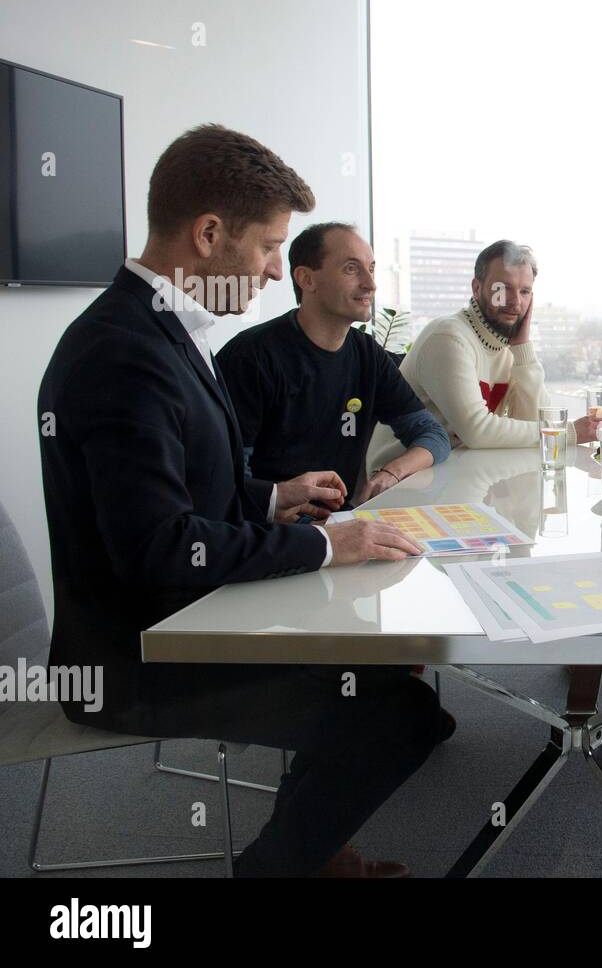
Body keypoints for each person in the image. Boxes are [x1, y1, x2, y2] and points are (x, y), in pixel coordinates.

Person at [38, 124, 444, 878]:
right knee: (399, 716)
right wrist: (331, 543)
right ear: (209, 233)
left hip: (188, 620)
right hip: (138, 660)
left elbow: (177, 489)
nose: (268, 273)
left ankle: (313, 854)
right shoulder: (123, 354)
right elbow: (159, 548)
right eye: (264, 249)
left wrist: (267, 497)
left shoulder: (158, 329)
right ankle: (274, 871)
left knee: (387, 674)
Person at [217, 222, 450, 505]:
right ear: (306, 279)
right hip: (268, 530)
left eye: (372, 268)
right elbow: (227, 480)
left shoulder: (367, 353)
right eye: (351, 269)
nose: (370, 283)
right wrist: (279, 506)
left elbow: (432, 435)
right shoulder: (252, 356)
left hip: (340, 521)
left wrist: (389, 474)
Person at [367, 239, 600, 460]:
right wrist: (565, 432)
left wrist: (522, 349)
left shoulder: (505, 345)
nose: (515, 302)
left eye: (524, 292)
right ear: (477, 288)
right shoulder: (448, 337)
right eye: (504, 288)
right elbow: (477, 431)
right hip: (397, 484)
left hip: (453, 474)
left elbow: (531, 419)